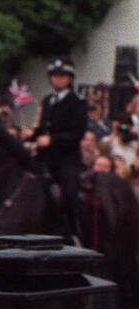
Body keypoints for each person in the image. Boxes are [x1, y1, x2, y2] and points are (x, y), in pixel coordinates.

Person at [33, 58, 88, 240]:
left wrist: (52, 140)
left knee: (70, 193)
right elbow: (43, 128)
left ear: (70, 79)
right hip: (45, 158)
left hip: (66, 160)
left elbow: (77, 133)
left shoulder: (77, 101)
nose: (57, 79)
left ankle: (75, 232)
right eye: (54, 76)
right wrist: (31, 135)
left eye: (62, 76)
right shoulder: (48, 100)